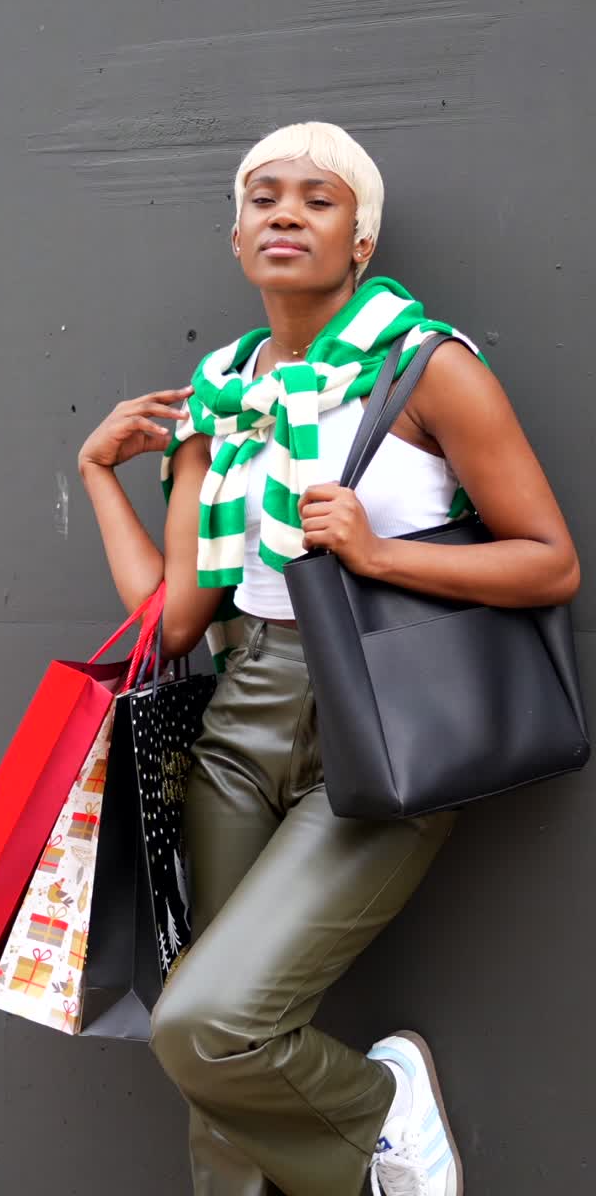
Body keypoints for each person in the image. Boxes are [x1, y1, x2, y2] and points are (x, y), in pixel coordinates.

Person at [77, 122, 580, 1196]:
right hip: (238, 714)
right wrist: (97, 475)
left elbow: (550, 564)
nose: (288, 214)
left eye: (320, 198)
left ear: (361, 239)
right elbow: (172, 619)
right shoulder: (222, 397)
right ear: (236, 234)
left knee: (208, 1025)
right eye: (265, 197)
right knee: (212, 1065)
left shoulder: (426, 367)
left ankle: (379, 1108)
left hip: (383, 711)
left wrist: (376, 550)